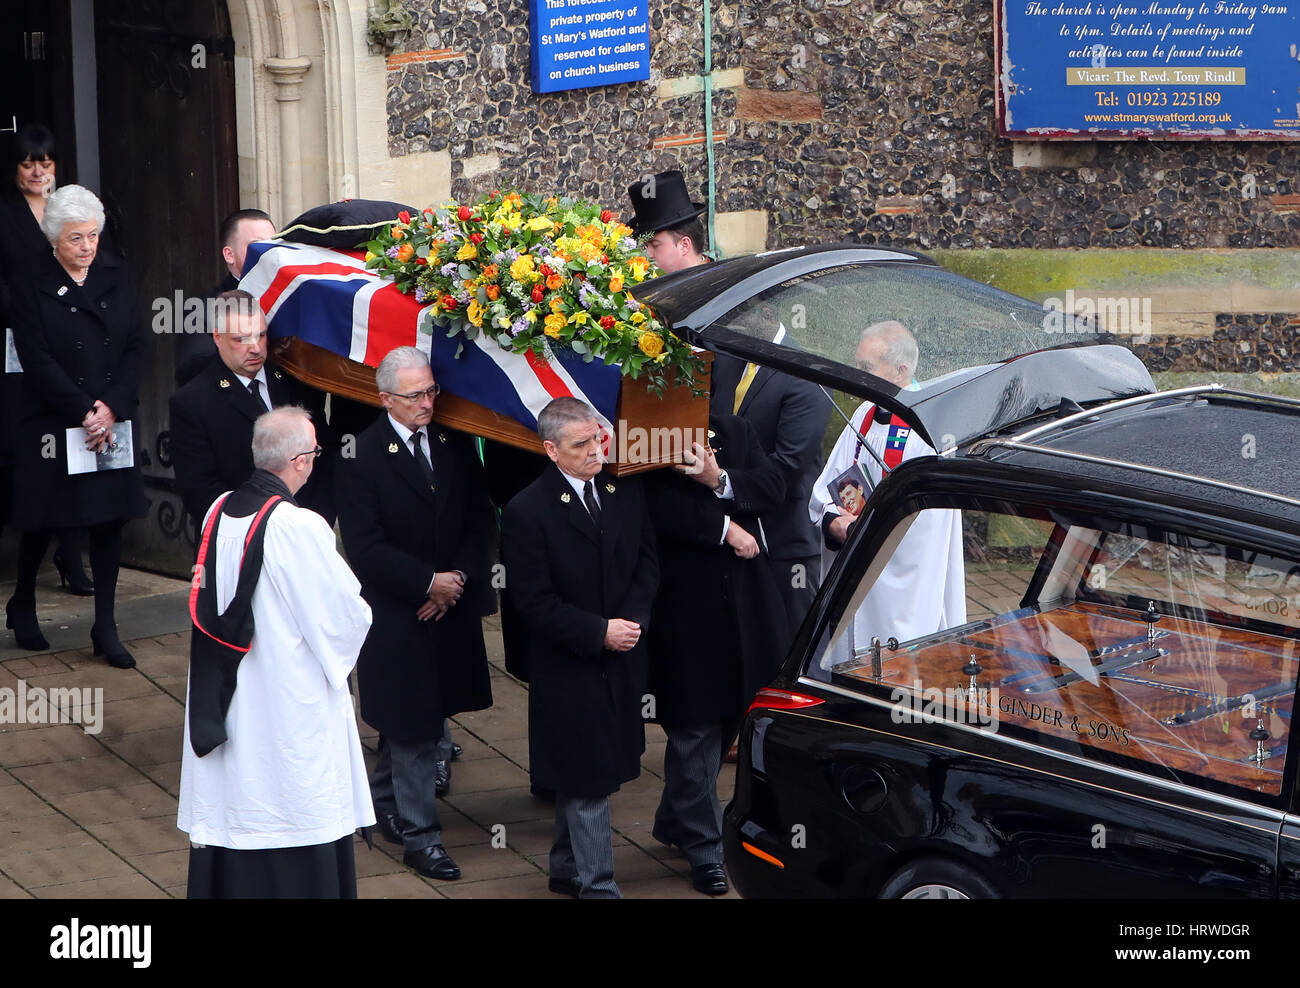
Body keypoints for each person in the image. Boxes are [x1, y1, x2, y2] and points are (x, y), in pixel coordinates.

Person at [178, 406, 374, 898]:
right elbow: (346, 618)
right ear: (300, 460)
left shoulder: (218, 509)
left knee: (237, 797)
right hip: (285, 700)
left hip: (228, 691)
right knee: (288, 802)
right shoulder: (299, 526)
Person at [336, 346, 495, 881]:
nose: (428, 403)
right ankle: (420, 839)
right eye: (415, 396)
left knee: (430, 720)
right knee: (410, 729)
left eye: (431, 392)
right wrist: (426, 583)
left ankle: (381, 805)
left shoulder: (451, 442)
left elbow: (478, 518)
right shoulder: (361, 455)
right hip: (399, 614)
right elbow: (363, 545)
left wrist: (457, 580)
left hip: (449, 606)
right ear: (384, 399)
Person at [502, 398, 658, 898]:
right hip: (569, 665)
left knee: (592, 769)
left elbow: (646, 563)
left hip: (622, 658)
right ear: (550, 450)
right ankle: (599, 886)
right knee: (587, 777)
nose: (596, 451)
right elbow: (533, 601)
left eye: (597, 438)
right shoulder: (528, 510)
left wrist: (631, 622)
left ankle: (566, 867)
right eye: (581, 444)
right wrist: (599, 632)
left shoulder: (621, 490)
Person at [645, 412, 789, 895]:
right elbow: (653, 505)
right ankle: (705, 848)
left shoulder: (731, 430)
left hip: (745, 609)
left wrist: (719, 479)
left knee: (731, 717)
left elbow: (773, 485)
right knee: (695, 729)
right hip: (684, 610)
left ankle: (674, 820)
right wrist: (723, 526)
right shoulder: (645, 431)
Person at [5, 184, 146, 666]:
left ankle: (105, 626)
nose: (86, 248)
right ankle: (22, 600)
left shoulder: (117, 274)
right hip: (54, 417)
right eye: (75, 239)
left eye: (92, 236)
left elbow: (135, 346)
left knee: (109, 519)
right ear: (52, 239)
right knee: (45, 517)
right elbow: (36, 359)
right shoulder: (29, 282)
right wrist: (85, 410)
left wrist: (111, 407)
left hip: (110, 419)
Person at [808, 320, 966, 667]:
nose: (857, 375)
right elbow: (827, 484)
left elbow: (928, 524)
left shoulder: (930, 429)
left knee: (899, 670)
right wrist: (834, 521)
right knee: (851, 669)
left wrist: (864, 530)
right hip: (856, 565)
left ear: (900, 371)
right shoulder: (865, 413)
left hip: (901, 584)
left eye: (866, 367)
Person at [0, 124, 95, 595]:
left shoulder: (72, 212)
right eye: (28, 162)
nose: (38, 170)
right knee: (29, 449)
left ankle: (72, 556)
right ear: (15, 168)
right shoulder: (3, 216)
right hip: (18, 348)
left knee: (73, 445)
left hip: (71, 343)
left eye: (46, 161)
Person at [169, 290, 334, 530]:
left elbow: (322, 456)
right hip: (241, 541)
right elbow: (201, 492)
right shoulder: (192, 402)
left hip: (306, 530)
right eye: (241, 339)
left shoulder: (297, 382)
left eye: (261, 335)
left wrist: (315, 522)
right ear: (218, 338)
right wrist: (262, 531)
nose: (255, 348)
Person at [175, 209, 276, 387]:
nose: (268, 254)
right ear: (229, 254)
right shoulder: (201, 310)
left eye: (274, 246)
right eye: (257, 246)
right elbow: (193, 372)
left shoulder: (292, 298)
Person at [627, 169, 709, 274]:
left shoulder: (719, 287)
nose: (648, 254)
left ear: (684, 245)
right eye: (646, 246)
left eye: (655, 245)